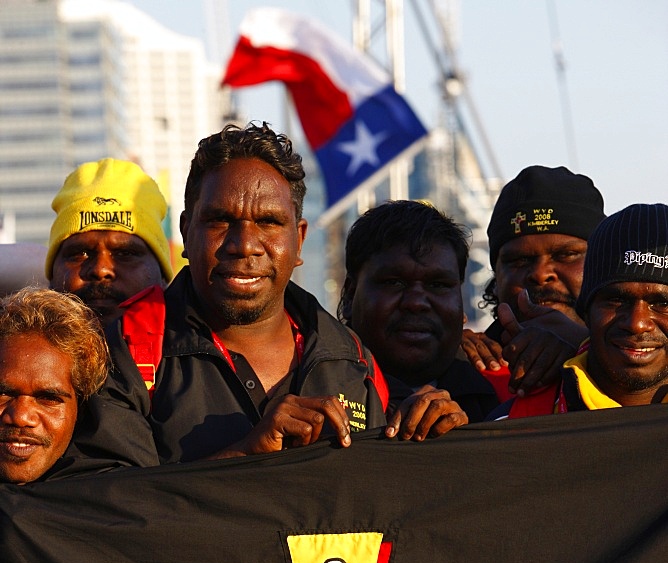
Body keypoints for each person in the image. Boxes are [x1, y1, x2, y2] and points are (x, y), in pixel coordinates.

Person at [88, 124, 465, 465]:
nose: (244, 245)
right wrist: (244, 455)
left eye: (269, 222)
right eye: (221, 220)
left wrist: (433, 449)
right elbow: (106, 511)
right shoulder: (120, 350)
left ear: (298, 239)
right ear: (187, 231)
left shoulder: (352, 361)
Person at [337, 199, 498, 422]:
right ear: (349, 296)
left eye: (438, 285)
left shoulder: (509, 391)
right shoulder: (302, 390)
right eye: (394, 282)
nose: (416, 303)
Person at [501, 203, 668, 415]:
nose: (637, 323)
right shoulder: (513, 423)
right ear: (586, 310)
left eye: (663, 304)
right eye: (616, 300)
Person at [462, 165, 605, 398]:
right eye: (519, 260)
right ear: (495, 276)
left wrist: (587, 351)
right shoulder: (463, 374)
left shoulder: (646, 369)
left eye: (566, 255)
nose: (540, 274)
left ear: (603, 265)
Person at [0, 288, 110, 483]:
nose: (21, 417)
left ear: (80, 408)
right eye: (3, 394)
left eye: (48, 399)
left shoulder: (106, 503)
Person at [46, 158, 173, 325]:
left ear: (162, 275)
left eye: (125, 253)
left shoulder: (204, 345)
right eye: (80, 253)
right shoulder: (14, 346)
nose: (101, 269)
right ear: (51, 277)